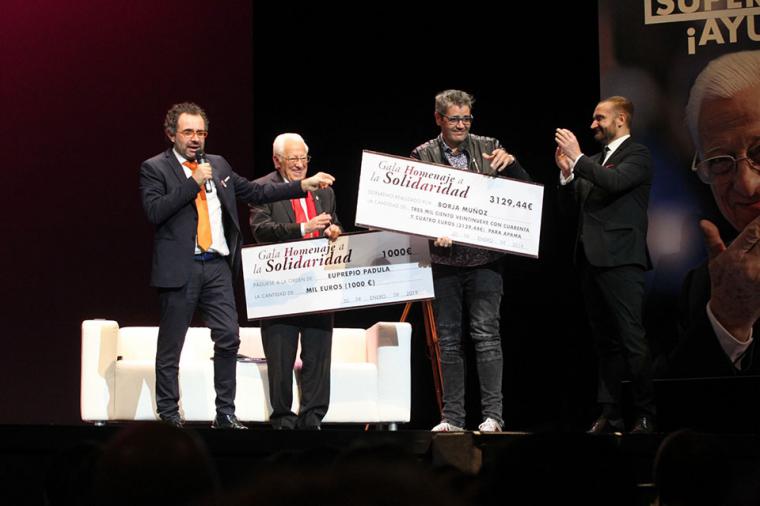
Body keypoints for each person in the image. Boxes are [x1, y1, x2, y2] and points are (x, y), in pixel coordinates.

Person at [139, 102, 334, 429]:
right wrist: (192, 183)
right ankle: (169, 414)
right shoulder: (155, 168)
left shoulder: (218, 165)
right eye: (188, 132)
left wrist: (301, 185)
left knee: (229, 337)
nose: (195, 139)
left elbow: (256, 190)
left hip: (216, 266)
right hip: (180, 266)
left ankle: (225, 414)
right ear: (171, 133)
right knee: (172, 344)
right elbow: (155, 211)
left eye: (201, 132)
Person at [410, 89, 531, 432]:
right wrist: (432, 229)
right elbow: (412, 207)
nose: (462, 125)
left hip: (485, 260)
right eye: (454, 119)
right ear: (439, 119)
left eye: (467, 118)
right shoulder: (423, 155)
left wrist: (513, 163)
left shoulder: (488, 146)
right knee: (447, 340)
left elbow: (524, 193)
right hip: (445, 260)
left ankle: (493, 416)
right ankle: (453, 418)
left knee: (486, 335)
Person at [555, 96, 657, 433]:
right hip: (590, 259)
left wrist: (579, 158)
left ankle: (645, 414)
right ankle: (610, 414)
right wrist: (568, 176)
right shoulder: (596, 161)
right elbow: (576, 208)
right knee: (605, 344)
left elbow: (614, 183)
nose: (593, 125)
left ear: (621, 119)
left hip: (622, 259)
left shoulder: (638, 155)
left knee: (632, 339)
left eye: (600, 118)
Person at [666, 50, 760, 377]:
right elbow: (682, 417)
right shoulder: (706, 289)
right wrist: (730, 319)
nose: (747, 186)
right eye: (721, 162)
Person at [249, 133, 341, 430]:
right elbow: (261, 230)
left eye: (304, 158)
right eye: (293, 159)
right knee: (280, 358)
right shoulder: (263, 188)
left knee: (318, 356)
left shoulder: (323, 189)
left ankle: (313, 420)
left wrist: (334, 230)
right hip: (280, 287)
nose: (301, 165)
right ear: (277, 161)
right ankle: (283, 423)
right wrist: (303, 228)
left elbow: (334, 220)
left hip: (318, 283)